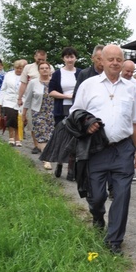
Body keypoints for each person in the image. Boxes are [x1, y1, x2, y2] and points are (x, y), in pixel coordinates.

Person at [70, 44, 136, 255]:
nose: (114, 63)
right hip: (95, 149)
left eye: (118, 59)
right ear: (101, 61)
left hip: (122, 149)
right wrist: (87, 122)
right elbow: (75, 113)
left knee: (122, 194)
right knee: (95, 197)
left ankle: (114, 240)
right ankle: (97, 215)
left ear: (122, 62)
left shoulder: (131, 88)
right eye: (110, 59)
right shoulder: (88, 85)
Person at [48, 47, 82, 178]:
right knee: (61, 137)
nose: (69, 59)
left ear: (75, 58)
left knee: (74, 138)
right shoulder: (57, 73)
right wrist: (67, 96)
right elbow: (51, 91)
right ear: (63, 58)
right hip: (61, 109)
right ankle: (60, 163)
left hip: (76, 110)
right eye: (67, 57)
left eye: (72, 56)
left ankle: (71, 167)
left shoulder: (80, 73)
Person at [18, 50, 53, 153]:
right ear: (35, 57)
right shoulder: (28, 68)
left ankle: (44, 146)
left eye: (43, 59)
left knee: (48, 129)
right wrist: (19, 98)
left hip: (48, 104)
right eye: (39, 59)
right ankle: (36, 144)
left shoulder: (51, 70)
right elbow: (24, 83)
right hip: (34, 99)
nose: (41, 61)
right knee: (34, 125)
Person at [22, 61, 55, 169]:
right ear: (39, 70)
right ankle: (46, 159)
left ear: (50, 70)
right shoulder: (33, 83)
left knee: (50, 135)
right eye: (42, 68)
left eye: (47, 68)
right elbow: (27, 99)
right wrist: (24, 113)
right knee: (41, 135)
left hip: (51, 112)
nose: (45, 70)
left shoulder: (54, 82)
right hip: (38, 112)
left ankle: (46, 155)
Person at [0, 60, 25, 146]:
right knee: (11, 117)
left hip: (21, 100)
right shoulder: (8, 75)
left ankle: (18, 138)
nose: (19, 70)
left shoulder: (26, 77)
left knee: (19, 119)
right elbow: (3, 89)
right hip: (8, 99)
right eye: (17, 68)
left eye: (21, 68)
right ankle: (11, 137)